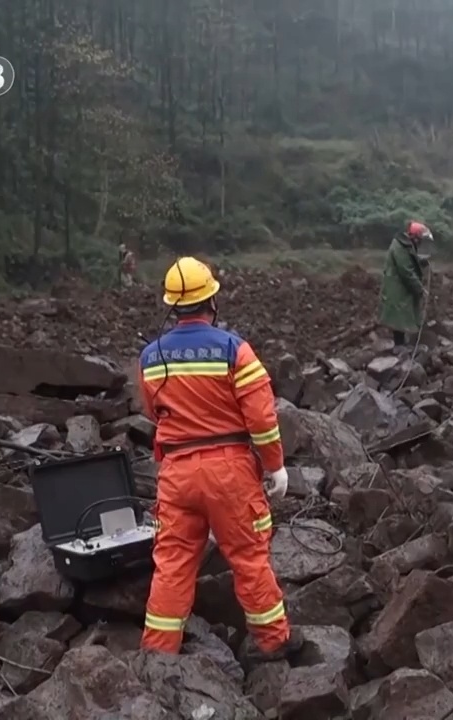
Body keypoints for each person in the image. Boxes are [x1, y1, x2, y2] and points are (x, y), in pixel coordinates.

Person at [137, 256, 300, 662]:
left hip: (176, 473)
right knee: (248, 557)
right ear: (213, 299)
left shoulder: (150, 358)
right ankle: (275, 642)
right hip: (229, 471)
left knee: (172, 564)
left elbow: (154, 414)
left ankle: (156, 657)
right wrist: (275, 464)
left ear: (172, 306)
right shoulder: (234, 350)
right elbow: (262, 419)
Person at [378, 221, 432, 346]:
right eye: (419, 239)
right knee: (399, 317)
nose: (420, 242)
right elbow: (406, 271)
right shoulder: (399, 247)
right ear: (414, 236)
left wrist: (422, 262)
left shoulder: (404, 244)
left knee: (402, 316)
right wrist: (420, 289)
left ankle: (402, 344)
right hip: (397, 287)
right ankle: (399, 346)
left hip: (400, 287)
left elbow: (411, 259)